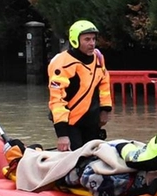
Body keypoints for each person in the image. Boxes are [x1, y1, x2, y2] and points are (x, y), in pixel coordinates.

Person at [48, 19, 113, 152]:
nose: (92, 43)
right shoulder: (62, 63)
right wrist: (62, 135)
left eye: (94, 39)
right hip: (71, 123)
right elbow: (57, 100)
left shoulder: (98, 58)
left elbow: (104, 83)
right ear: (75, 41)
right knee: (77, 159)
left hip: (92, 120)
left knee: (94, 157)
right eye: (87, 39)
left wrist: (105, 110)